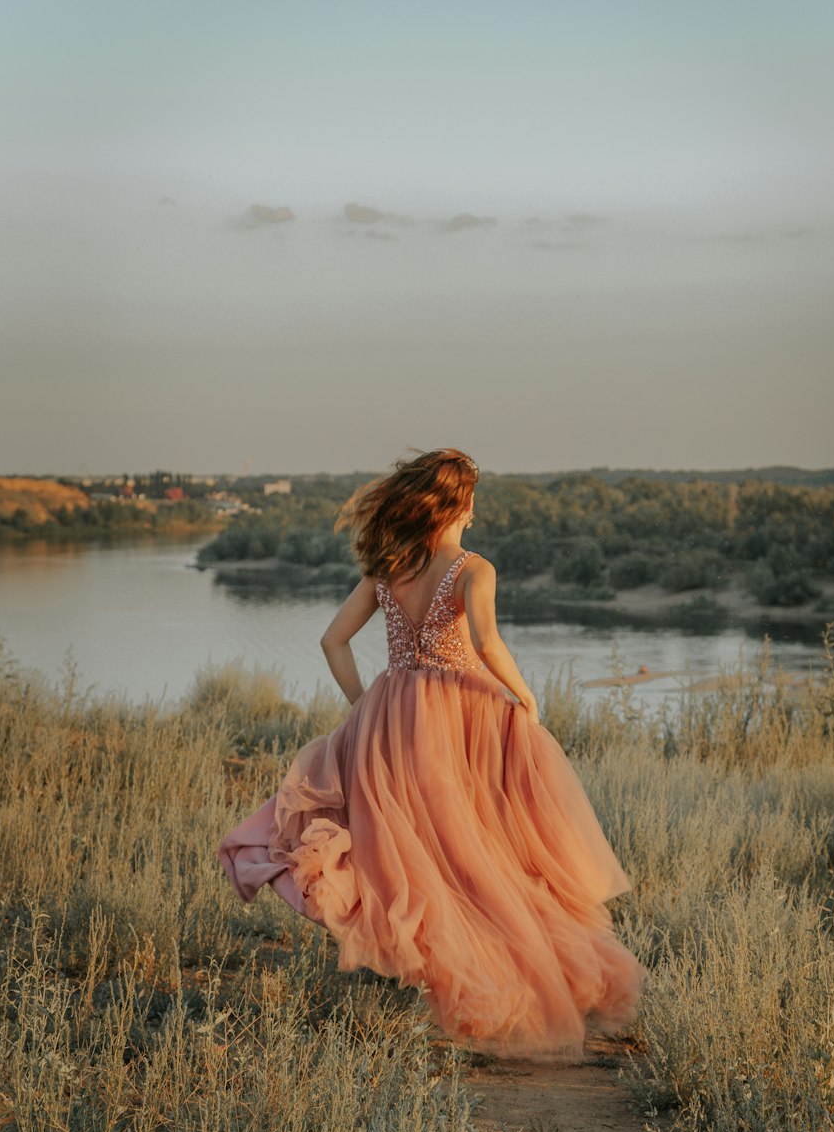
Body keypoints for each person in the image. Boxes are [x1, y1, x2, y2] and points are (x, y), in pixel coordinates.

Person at [218, 447, 646, 1060]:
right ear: (459, 504)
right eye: (472, 495)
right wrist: (523, 695)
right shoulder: (474, 568)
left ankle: (436, 976)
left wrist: (367, 704)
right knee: (474, 854)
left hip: (391, 717)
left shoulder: (389, 567)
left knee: (412, 852)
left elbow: (332, 640)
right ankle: (488, 988)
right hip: (457, 718)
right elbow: (487, 642)